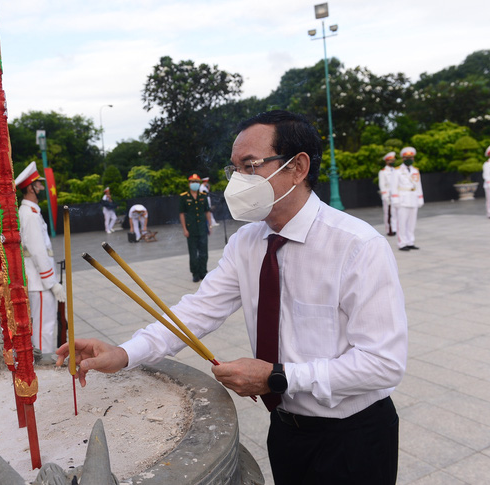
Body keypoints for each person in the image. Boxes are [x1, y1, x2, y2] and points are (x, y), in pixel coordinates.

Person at [58, 110, 407, 484]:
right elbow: (197, 311)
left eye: (250, 165)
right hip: (287, 430)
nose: (239, 180)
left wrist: (278, 377)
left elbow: (383, 363)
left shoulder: (357, 246)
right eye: (234, 169)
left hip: (354, 436)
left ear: (298, 167)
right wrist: (125, 353)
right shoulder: (247, 243)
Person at [15, 161, 66, 355]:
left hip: (40, 280)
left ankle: (43, 360)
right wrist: (51, 283)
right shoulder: (29, 214)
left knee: (46, 324)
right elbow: (37, 252)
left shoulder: (32, 212)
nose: (43, 188)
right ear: (30, 188)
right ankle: (43, 364)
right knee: (45, 327)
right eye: (38, 184)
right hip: (40, 282)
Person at [179, 174, 212, 282]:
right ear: (189, 184)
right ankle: (195, 273)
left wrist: (210, 225)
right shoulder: (184, 197)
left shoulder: (203, 196)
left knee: (204, 252)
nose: (195, 184)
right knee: (193, 253)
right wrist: (184, 229)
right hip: (191, 229)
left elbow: (207, 211)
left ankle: (203, 272)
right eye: (192, 182)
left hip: (202, 228)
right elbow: (182, 214)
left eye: (197, 182)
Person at [391, 147, 424, 251]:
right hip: (402, 199)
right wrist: (395, 199)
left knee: (412, 222)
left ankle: (410, 241)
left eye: (411, 157)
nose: (409, 159)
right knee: (401, 223)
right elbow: (393, 186)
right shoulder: (397, 171)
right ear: (403, 159)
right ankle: (402, 243)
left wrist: (420, 198)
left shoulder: (415, 170)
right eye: (407, 157)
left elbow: (418, 185)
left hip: (413, 198)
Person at [378, 151, 398, 236]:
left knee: (395, 213)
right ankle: (389, 229)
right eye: (391, 160)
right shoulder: (383, 172)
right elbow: (382, 185)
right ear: (387, 161)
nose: (393, 161)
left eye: (393, 160)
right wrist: (385, 196)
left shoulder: (396, 171)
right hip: (388, 196)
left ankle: (395, 228)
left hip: (396, 195)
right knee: (388, 213)